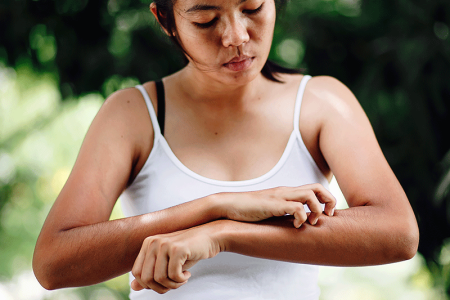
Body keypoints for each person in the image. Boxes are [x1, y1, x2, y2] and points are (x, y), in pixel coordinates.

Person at [32, 0, 420, 299]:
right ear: (166, 20)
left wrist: (224, 233)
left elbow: (397, 233)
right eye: (205, 19)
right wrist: (213, 207)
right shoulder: (133, 114)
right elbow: (53, 263)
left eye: (252, 8)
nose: (236, 36)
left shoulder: (321, 102)